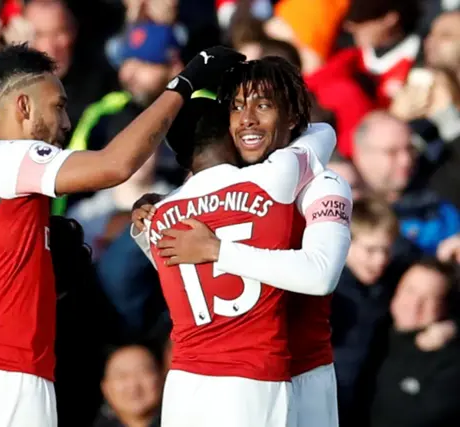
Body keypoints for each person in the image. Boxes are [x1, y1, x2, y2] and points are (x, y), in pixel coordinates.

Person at [0, 43, 245, 427]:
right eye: (59, 106)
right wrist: (184, 84)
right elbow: (115, 165)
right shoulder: (16, 157)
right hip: (12, 375)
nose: (66, 123)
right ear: (23, 107)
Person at [132, 58, 352, 427]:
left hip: (305, 376)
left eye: (262, 106)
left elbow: (320, 273)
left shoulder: (324, 185)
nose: (247, 118)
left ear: (294, 118)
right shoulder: (258, 185)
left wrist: (216, 248)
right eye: (235, 108)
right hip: (251, 381)